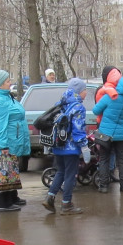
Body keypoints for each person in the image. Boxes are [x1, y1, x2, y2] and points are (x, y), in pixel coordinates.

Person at [43, 77, 90, 215]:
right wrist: (84, 147)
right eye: (85, 90)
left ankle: (50, 198)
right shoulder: (78, 107)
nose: (86, 92)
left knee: (60, 172)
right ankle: (67, 204)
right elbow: (78, 129)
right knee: (70, 175)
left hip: (58, 145)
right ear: (79, 91)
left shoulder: (61, 103)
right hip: (71, 148)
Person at [0, 68, 30, 212]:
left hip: (12, 139)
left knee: (11, 169)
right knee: (4, 171)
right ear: (0, 84)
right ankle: (4, 203)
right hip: (5, 142)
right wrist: (3, 145)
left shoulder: (5, 96)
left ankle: (12, 197)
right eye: (7, 81)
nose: (10, 83)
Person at [92, 71, 123, 192]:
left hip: (106, 133)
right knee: (121, 159)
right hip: (122, 134)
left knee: (104, 158)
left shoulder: (110, 97)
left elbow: (96, 110)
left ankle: (104, 186)